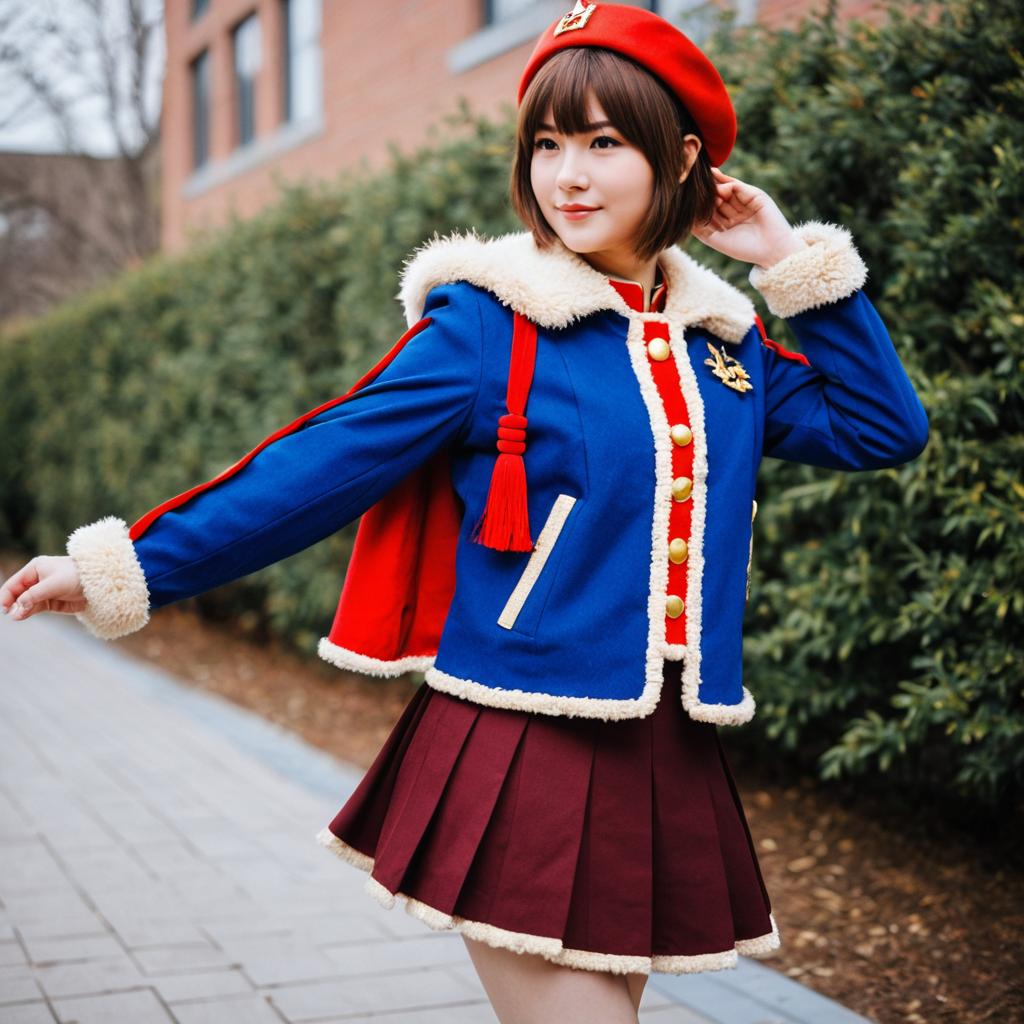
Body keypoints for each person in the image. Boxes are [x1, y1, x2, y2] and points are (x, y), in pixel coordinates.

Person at [0, 3, 929, 1022]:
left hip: (661, 749)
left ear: (682, 158)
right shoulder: (488, 319)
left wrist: (783, 257)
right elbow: (318, 463)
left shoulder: (721, 345)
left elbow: (880, 426)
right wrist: (126, 562)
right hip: (520, 741)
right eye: (547, 144)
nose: (567, 175)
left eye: (605, 144)